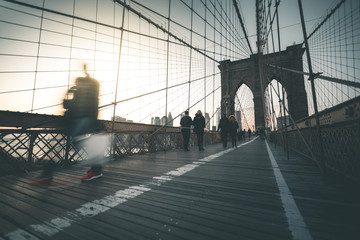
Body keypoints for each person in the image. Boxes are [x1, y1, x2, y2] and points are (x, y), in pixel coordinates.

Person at [33, 64, 102, 183]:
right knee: (68, 145)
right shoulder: (84, 92)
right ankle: (96, 169)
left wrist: (69, 96)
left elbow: (70, 105)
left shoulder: (87, 91)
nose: (76, 85)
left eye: (78, 83)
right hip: (77, 120)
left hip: (81, 120)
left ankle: (47, 173)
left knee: (63, 145)